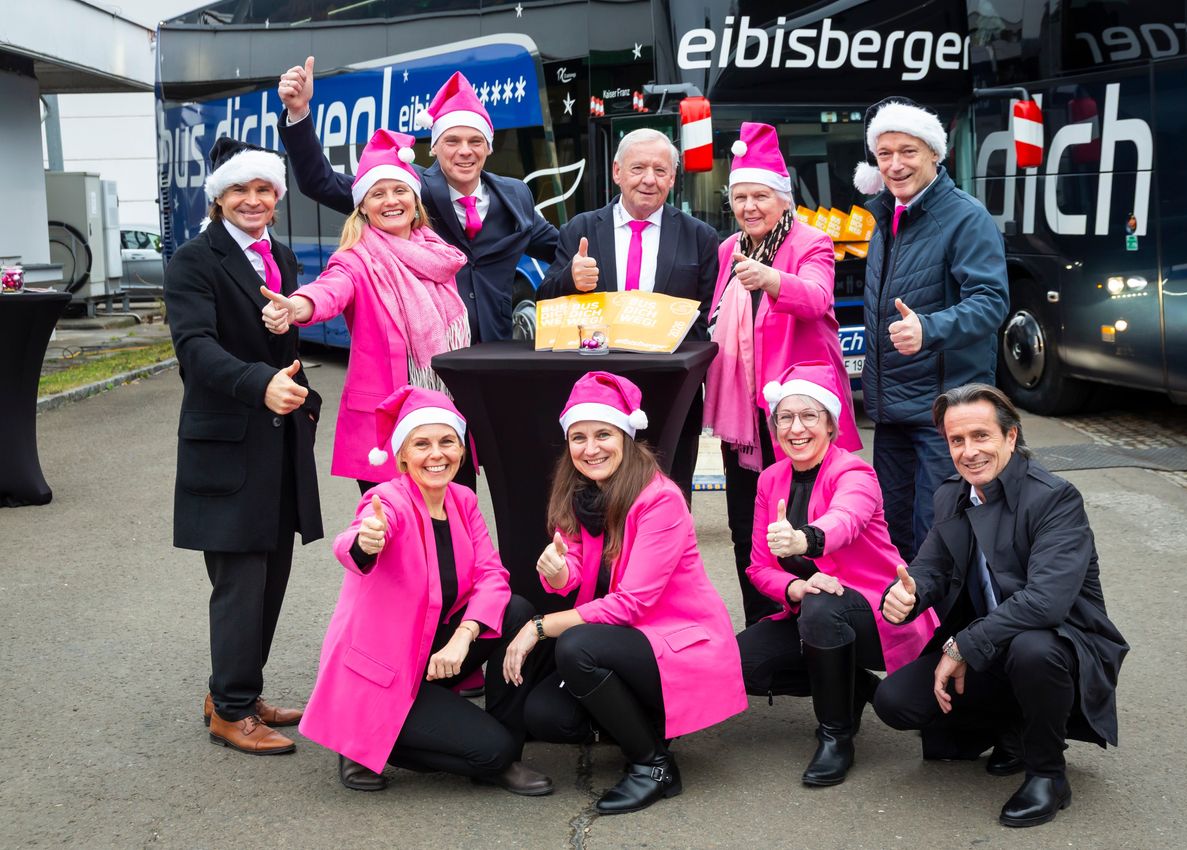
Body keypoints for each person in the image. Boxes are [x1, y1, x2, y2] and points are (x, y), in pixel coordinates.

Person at [873, 384, 1128, 828]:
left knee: (1033, 648)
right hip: (991, 644)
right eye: (957, 440)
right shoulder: (951, 494)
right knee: (895, 702)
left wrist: (960, 647)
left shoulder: (1055, 498)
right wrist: (907, 597)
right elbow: (931, 568)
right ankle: (1011, 730)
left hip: (1063, 643)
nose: (968, 451)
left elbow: (1046, 604)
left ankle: (1048, 773)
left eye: (981, 436)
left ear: (1011, 436)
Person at [501, 372, 746, 815]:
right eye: (579, 437)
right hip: (629, 642)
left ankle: (653, 765)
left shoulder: (660, 500)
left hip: (677, 643)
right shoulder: (580, 491)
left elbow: (633, 601)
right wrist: (558, 574)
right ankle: (647, 722)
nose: (590, 448)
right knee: (546, 716)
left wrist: (539, 627)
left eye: (603, 434)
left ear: (627, 437)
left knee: (574, 646)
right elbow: (574, 568)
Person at [299, 386, 554, 795]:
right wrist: (366, 541)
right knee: (491, 752)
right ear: (402, 456)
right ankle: (362, 743)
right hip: (388, 671)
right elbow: (351, 544)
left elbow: (492, 576)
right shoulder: (387, 501)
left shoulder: (462, 499)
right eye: (422, 444)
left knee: (517, 611)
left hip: (432, 656)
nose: (437, 454)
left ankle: (506, 747)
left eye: (446, 442)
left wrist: (464, 637)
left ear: (461, 450)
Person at [164, 138, 323, 755]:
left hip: (279, 440)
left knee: (273, 575)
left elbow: (284, 347)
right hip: (226, 444)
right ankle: (230, 712)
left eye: (263, 190)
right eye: (240, 190)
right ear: (219, 199)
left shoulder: (278, 256)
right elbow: (195, 349)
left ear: (277, 199)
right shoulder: (194, 261)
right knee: (240, 580)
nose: (252, 200)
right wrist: (262, 386)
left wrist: (302, 394)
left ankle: (236, 690)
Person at [736, 361, 938, 787]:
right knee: (742, 665)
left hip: (881, 615)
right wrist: (794, 584)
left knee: (823, 607)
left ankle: (836, 735)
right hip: (813, 612)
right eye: (785, 417)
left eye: (810, 415)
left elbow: (844, 520)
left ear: (831, 424)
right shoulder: (771, 480)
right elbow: (757, 567)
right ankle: (856, 687)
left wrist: (804, 541)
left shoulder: (855, 473)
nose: (796, 428)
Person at [703, 122, 861, 626]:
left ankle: (818, 625)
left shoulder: (811, 241)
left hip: (798, 412)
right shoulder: (730, 249)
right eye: (740, 196)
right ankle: (762, 628)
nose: (750, 207)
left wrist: (770, 279)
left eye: (761, 196)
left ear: (784, 199)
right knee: (746, 521)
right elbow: (714, 321)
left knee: (806, 522)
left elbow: (815, 299)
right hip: (744, 416)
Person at [278, 62, 558, 342]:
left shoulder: (515, 196)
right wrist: (299, 113)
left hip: (497, 357)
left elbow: (560, 247)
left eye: (475, 141)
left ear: (489, 146)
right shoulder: (408, 190)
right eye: (452, 141)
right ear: (434, 146)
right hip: (432, 361)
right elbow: (321, 182)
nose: (465, 151)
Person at [259, 128, 473, 493]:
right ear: (362, 205)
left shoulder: (438, 255)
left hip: (442, 415)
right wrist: (298, 305)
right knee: (388, 534)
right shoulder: (356, 259)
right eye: (378, 193)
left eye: (400, 190)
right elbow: (331, 289)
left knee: (448, 528)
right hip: (387, 422)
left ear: (415, 200)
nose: (391, 201)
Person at [851, 96, 1010, 562]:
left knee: (938, 542)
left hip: (944, 417)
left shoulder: (965, 216)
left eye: (908, 151)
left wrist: (930, 329)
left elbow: (992, 302)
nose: (895, 165)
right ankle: (906, 634)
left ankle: (950, 635)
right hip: (893, 415)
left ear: (934, 154)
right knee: (893, 539)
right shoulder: (887, 218)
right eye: (884, 154)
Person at [537, 127, 719, 497]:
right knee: (595, 500)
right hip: (597, 391)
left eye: (661, 170)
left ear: (672, 177)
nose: (649, 180)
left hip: (669, 392)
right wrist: (571, 279)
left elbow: (705, 321)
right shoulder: (581, 228)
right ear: (617, 172)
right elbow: (546, 306)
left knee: (670, 494)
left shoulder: (700, 236)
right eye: (638, 169)